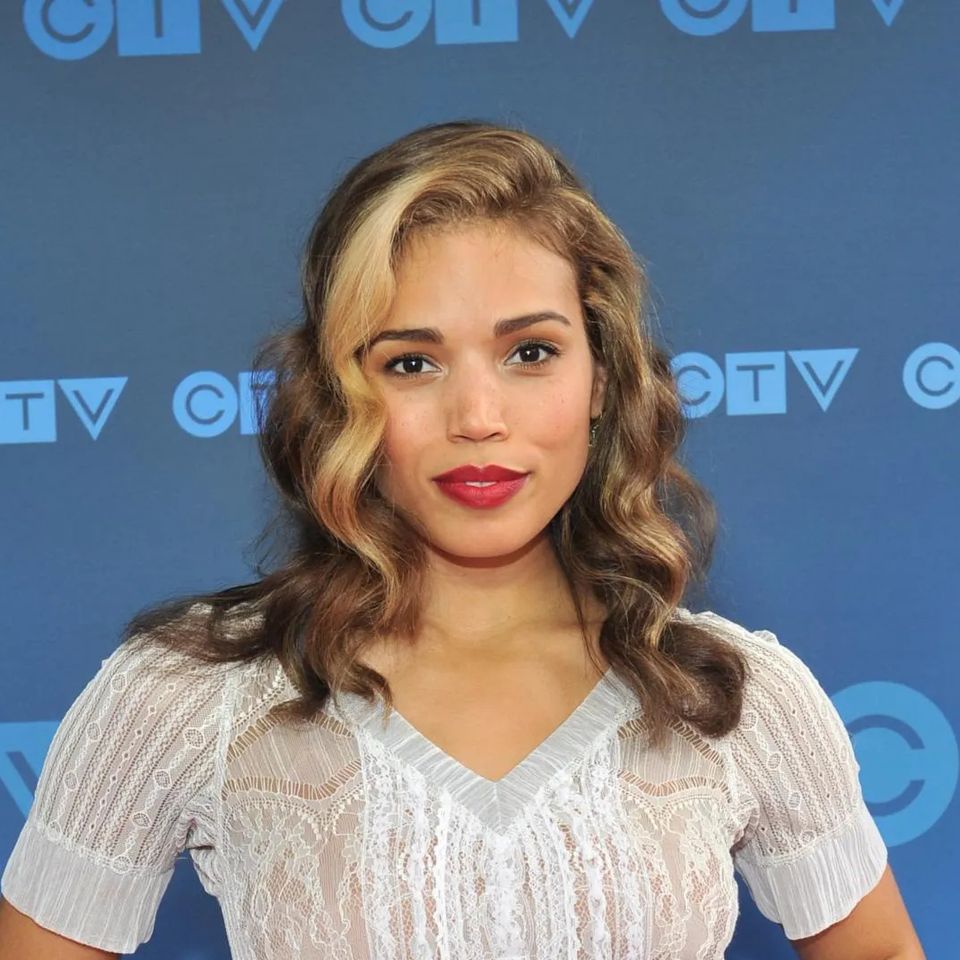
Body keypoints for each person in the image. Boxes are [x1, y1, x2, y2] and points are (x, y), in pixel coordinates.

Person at [0, 120, 925, 960]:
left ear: (602, 378)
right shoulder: (188, 691)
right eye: (411, 362)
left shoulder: (737, 699)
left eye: (531, 352)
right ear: (338, 398)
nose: (477, 416)